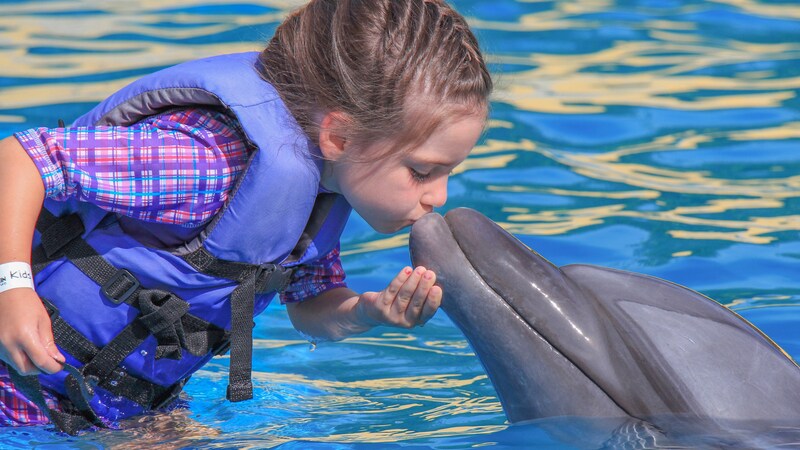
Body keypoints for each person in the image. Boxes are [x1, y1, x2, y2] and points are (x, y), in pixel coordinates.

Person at [0, 0, 492, 433]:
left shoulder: (321, 190)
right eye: (423, 170)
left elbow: (309, 306)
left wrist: (368, 312)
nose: (438, 197)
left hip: (111, 402)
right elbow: (21, 159)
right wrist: (12, 287)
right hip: (15, 385)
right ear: (339, 137)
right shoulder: (208, 162)